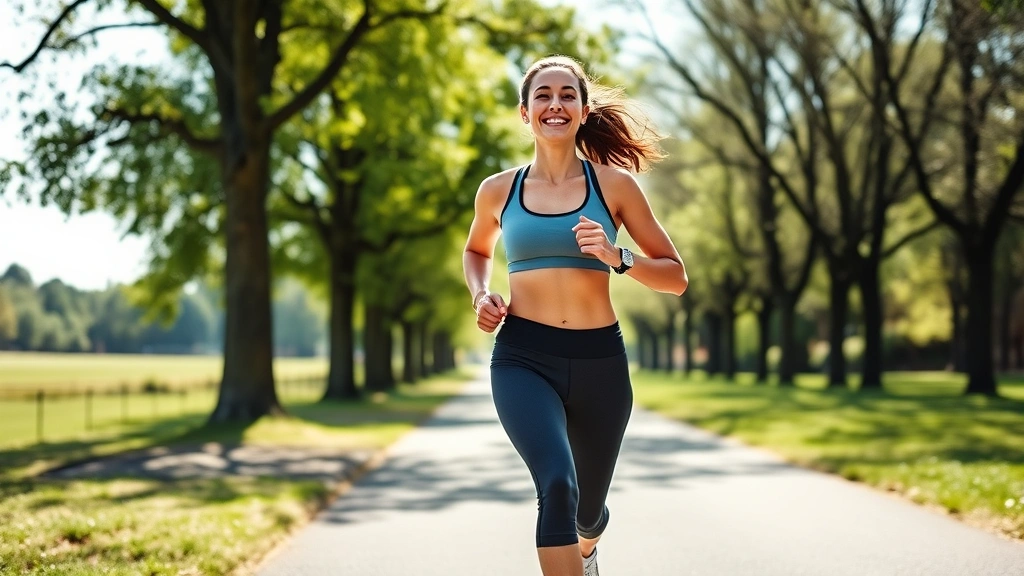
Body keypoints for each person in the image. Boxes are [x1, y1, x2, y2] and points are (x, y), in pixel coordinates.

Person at [462, 55, 688, 576]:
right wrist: (481, 295)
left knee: (587, 511)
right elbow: (477, 252)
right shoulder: (499, 190)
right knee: (557, 484)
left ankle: (588, 550)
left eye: (567, 95)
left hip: (599, 364)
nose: (555, 104)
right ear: (525, 112)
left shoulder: (614, 187)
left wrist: (619, 257)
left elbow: (675, 277)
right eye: (543, 95)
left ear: (584, 111)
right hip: (524, 358)